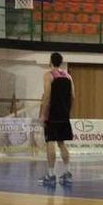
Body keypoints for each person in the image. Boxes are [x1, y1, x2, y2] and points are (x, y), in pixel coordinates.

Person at [39, 53, 75, 186]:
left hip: (52, 114)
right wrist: (69, 111)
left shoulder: (49, 75)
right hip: (64, 114)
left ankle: (51, 174)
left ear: (50, 62)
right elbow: (73, 96)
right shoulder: (68, 76)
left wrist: (43, 114)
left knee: (50, 142)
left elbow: (47, 96)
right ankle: (67, 172)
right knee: (62, 143)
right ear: (61, 62)